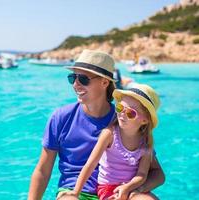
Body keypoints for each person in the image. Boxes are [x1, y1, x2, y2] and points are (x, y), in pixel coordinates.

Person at [28, 50, 165, 200]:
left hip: (120, 192)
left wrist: (136, 190)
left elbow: (156, 172)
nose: (75, 84)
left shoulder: (125, 117)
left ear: (105, 82)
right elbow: (42, 171)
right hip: (74, 192)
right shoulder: (61, 118)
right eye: (72, 77)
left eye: (83, 79)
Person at [60, 83, 161, 200]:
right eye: (120, 108)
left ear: (144, 120)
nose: (122, 114)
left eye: (130, 113)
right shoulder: (110, 134)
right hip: (108, 189)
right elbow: (91, 164)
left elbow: (142, 175)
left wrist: (128, 188)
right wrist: (76, 192)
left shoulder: (145, 144)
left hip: (131, 188)